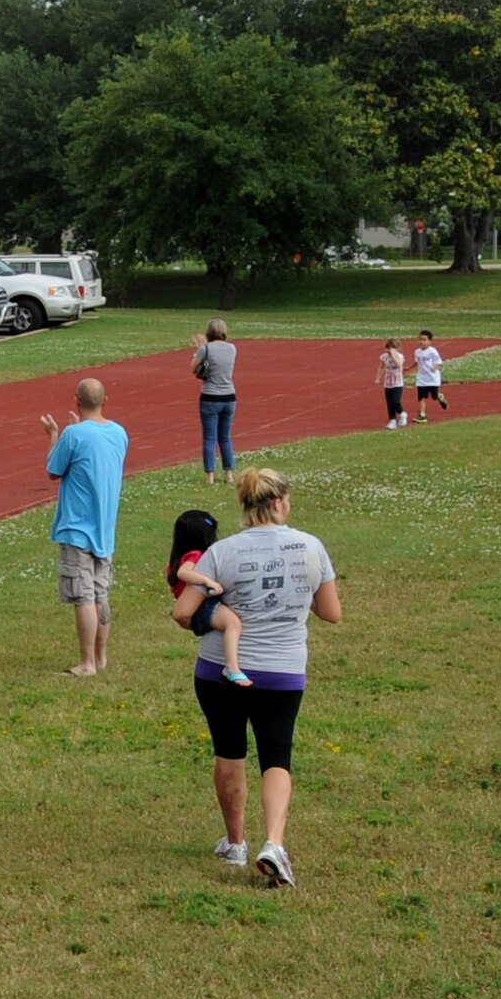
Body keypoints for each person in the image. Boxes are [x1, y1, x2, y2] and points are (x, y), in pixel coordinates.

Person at [173, 468, 342, 889]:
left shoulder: (223, 552)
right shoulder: (311, 547)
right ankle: (274, 843)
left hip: (219, 673)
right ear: (281, 503)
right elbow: (331, 612)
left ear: (246, 507)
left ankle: (235, 843)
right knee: (276, 757)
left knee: (230, 753)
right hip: (282, 671)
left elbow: (183, 612)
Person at [39, 378, 129, 677]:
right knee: (101, 594)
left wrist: (54, 435)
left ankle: (87, 663)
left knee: (84, 596)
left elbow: (53, 470)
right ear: (106, 400)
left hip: (77, 528)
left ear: (76, 400)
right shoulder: (119, 433)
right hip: (105, 529)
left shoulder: (72, 435)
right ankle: (101, 657)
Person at [168, 510, 249, 686]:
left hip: (195, 606)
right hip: (201, 605)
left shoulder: (179, 557)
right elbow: (184, 573)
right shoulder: (196, 555)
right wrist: (208, 581)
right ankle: (232, 668)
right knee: (233, 623)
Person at [190, 319, 238, 485]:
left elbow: (194, 368)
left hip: (210, 396)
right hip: (229, 396)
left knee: (209, 438)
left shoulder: (205, 349)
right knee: (225, 437)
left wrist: (199, 351)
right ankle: (229, 473)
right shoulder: (232, 348)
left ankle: (210, 475)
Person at [412, 329, 449, 422]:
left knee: (434, 397)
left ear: (430, 342)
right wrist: (408, 369)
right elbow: (416, 362)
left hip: (432, 378)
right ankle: (422, 415)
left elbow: (439, 362)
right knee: (422, 397)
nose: (422, 342)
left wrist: (435, 368)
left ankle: (440, 397)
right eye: (420, 339)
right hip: (422, 378)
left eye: (424, 340)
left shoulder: (432, 351)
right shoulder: (417, 352)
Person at [375, 339, 407, 429]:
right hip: (388, 383)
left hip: (398, 383)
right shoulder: (384, 357)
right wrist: (378, 378)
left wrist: (393, 355)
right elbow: (381, 368)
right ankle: (392, 420)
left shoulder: (399, 356)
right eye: (388, 348)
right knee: (389, 403)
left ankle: (402, 414)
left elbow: (399, 364)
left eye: (392, 348)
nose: (389, 350)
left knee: (395, 401)